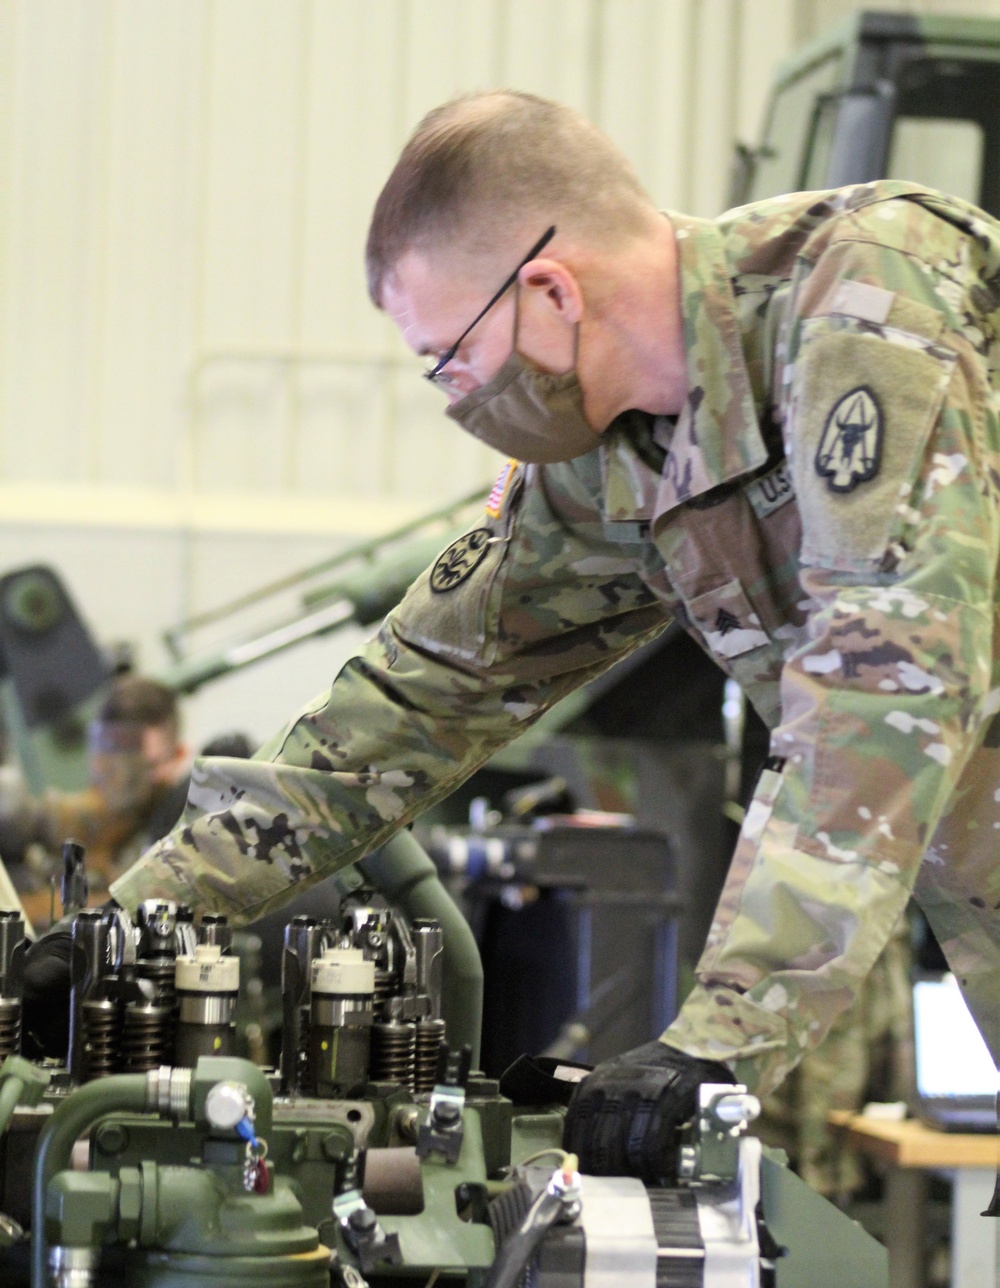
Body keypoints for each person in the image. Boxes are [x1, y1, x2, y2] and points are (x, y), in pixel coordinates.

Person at [37, 91, 1000, 1191]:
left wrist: (719, 1037)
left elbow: (884, 689)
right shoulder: (613, 463)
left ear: (546, 288)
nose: (457, 398)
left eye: (451, 359)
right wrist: (140, 918)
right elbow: (416, 696)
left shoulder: (866, 296)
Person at [0, 674, 190, 924]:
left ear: (178, 756)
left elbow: (154, 907)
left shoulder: (178, 827)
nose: (120, 779)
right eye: (108, 755)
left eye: (142, 764)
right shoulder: (83, 820)